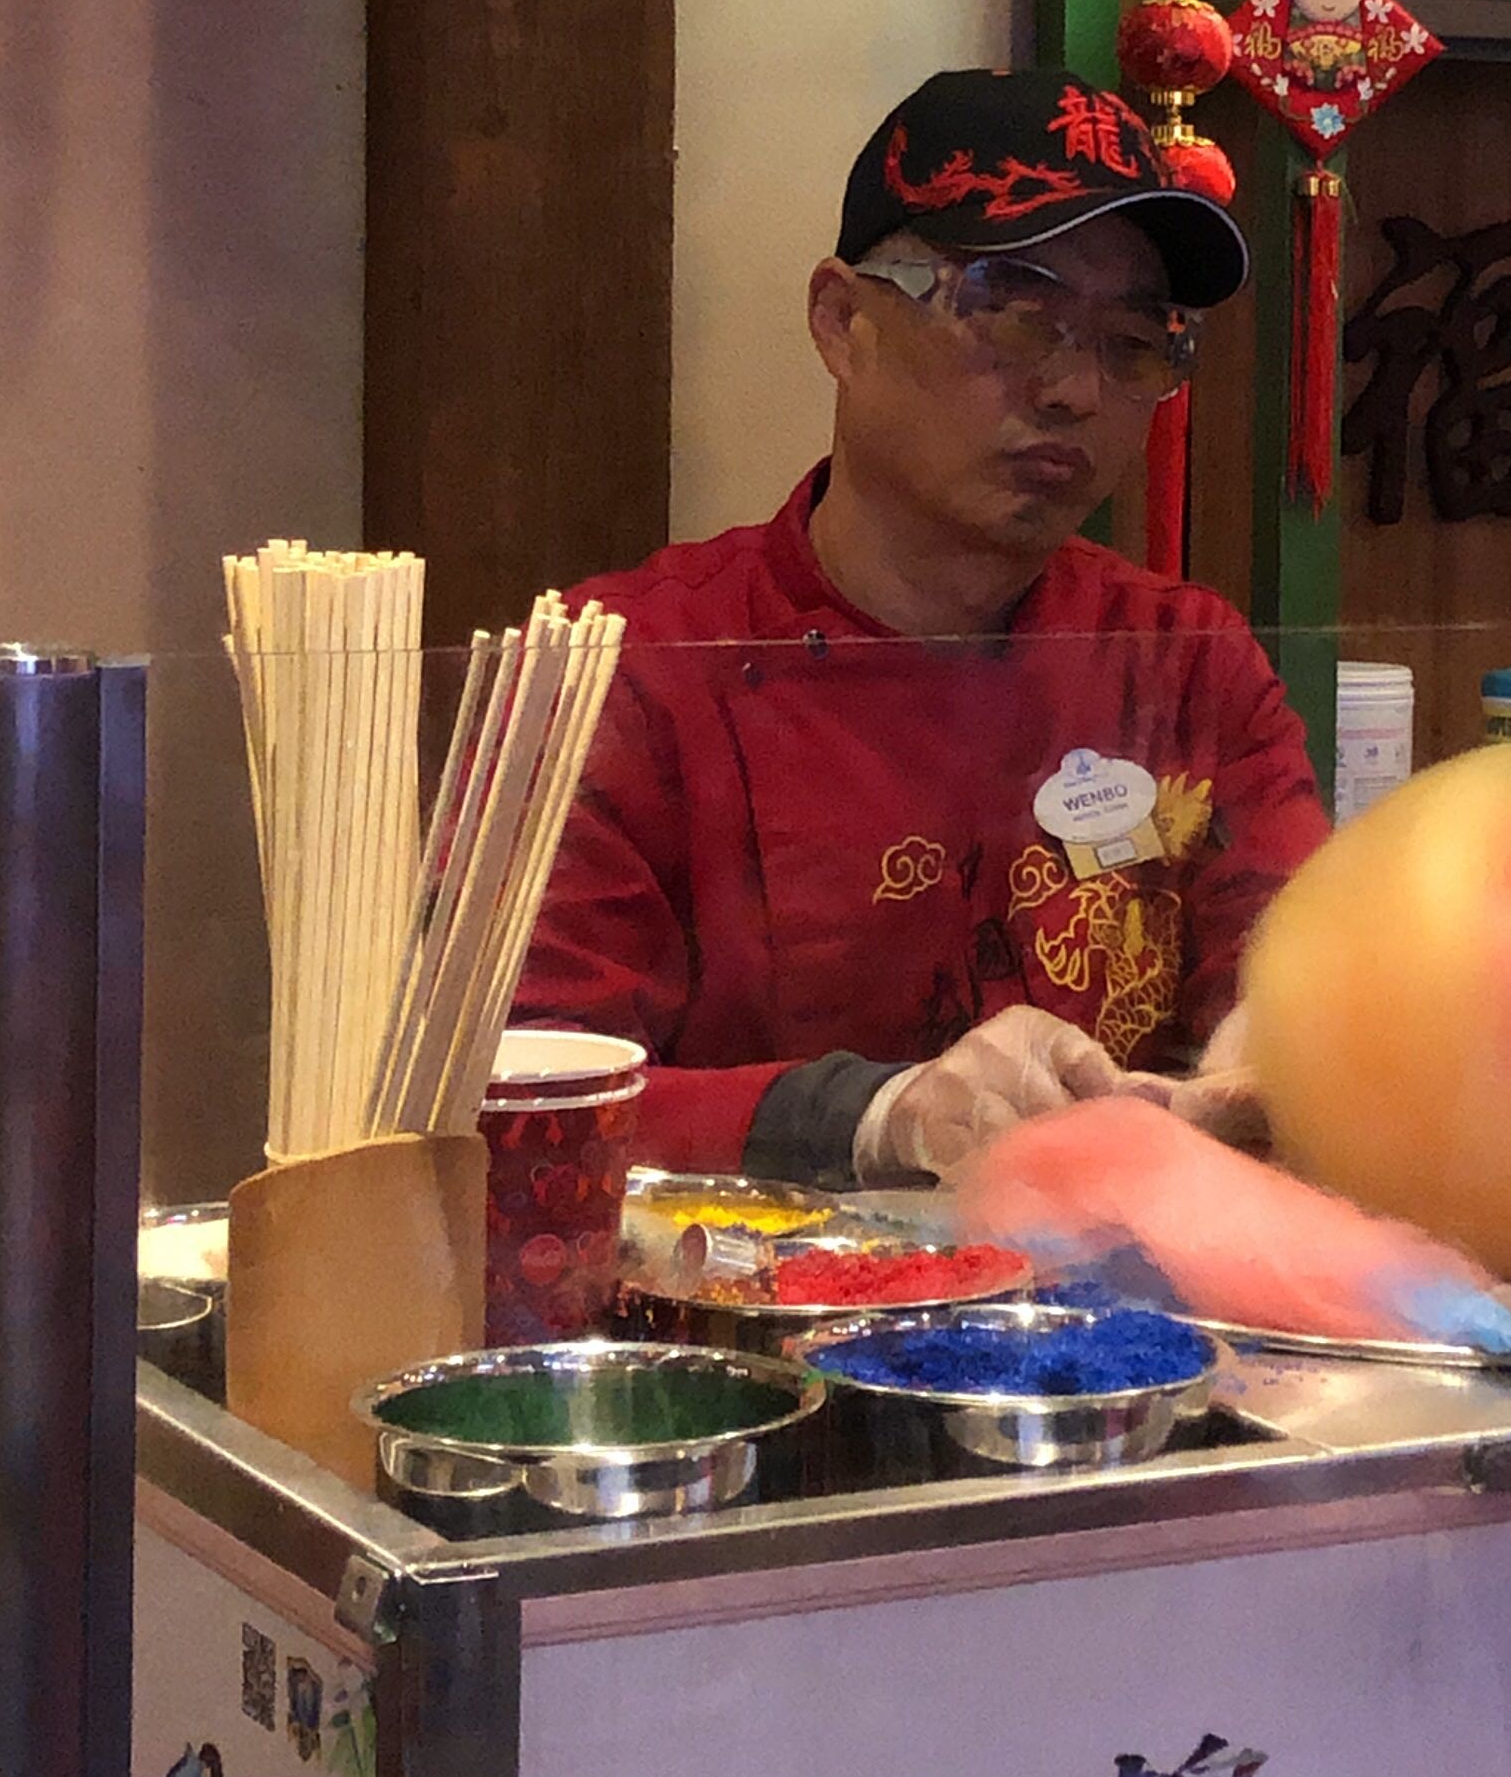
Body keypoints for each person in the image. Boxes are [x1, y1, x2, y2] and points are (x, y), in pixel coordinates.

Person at [515, 68, 1326, 1186]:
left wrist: (1270, 1059)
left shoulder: (1187, 663)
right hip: (744, 1289)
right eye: (1018, 313)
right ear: (843, 322)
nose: (1077, 391)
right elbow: (519, 1092)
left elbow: (1298, 961)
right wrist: (876, 1116)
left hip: (1120, 1282)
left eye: (1135, 343)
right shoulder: (622, 671)